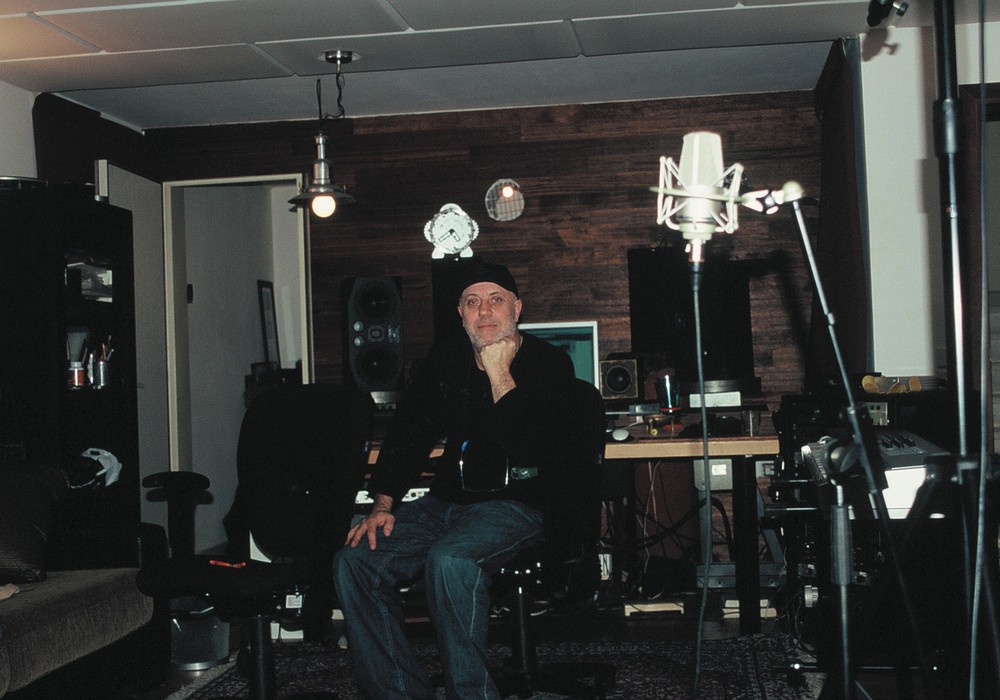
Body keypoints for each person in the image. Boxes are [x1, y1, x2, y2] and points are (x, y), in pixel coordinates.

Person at [333, 260, 577, 699]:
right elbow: (408, 434)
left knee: (451, 561)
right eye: (472, 302)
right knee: (355, 561)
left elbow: (529, 448)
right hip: (443, 507)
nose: (484, 311)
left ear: (517, 309)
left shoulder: (549, 364)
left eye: (496, 300)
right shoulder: (445, 361)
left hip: (517, 507)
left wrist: (500, 372)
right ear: (460, 313)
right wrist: (382, 505)